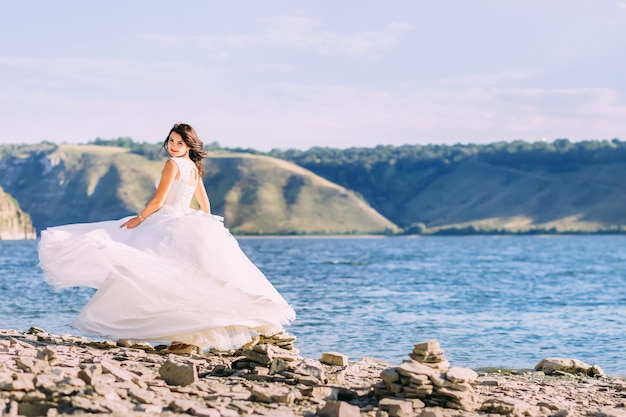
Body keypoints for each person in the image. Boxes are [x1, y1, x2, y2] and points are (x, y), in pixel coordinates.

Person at [38, 123, 296, 354]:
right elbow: (205, 205)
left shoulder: (173, 165)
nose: (173, 146)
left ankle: (183, 338)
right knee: (185, 279)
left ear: (188, 145)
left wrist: (139, 219)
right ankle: (185, 339)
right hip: (189, 221)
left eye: (179, 143)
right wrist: (205, 228)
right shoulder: (194, 167)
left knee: (150, 270)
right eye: (171, 141)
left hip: (169, 221)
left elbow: (158, 201)